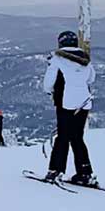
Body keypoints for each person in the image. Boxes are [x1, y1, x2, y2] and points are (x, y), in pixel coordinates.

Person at [42, 30, 96, 185]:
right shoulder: (85, 59)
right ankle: (85, 173)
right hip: (84, 103)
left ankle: (55, 171)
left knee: (63, 137)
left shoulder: (57, 59)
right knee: (77, 137)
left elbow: (48, 84)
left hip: (65, 103)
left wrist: (50, 91)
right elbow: (91, 79)